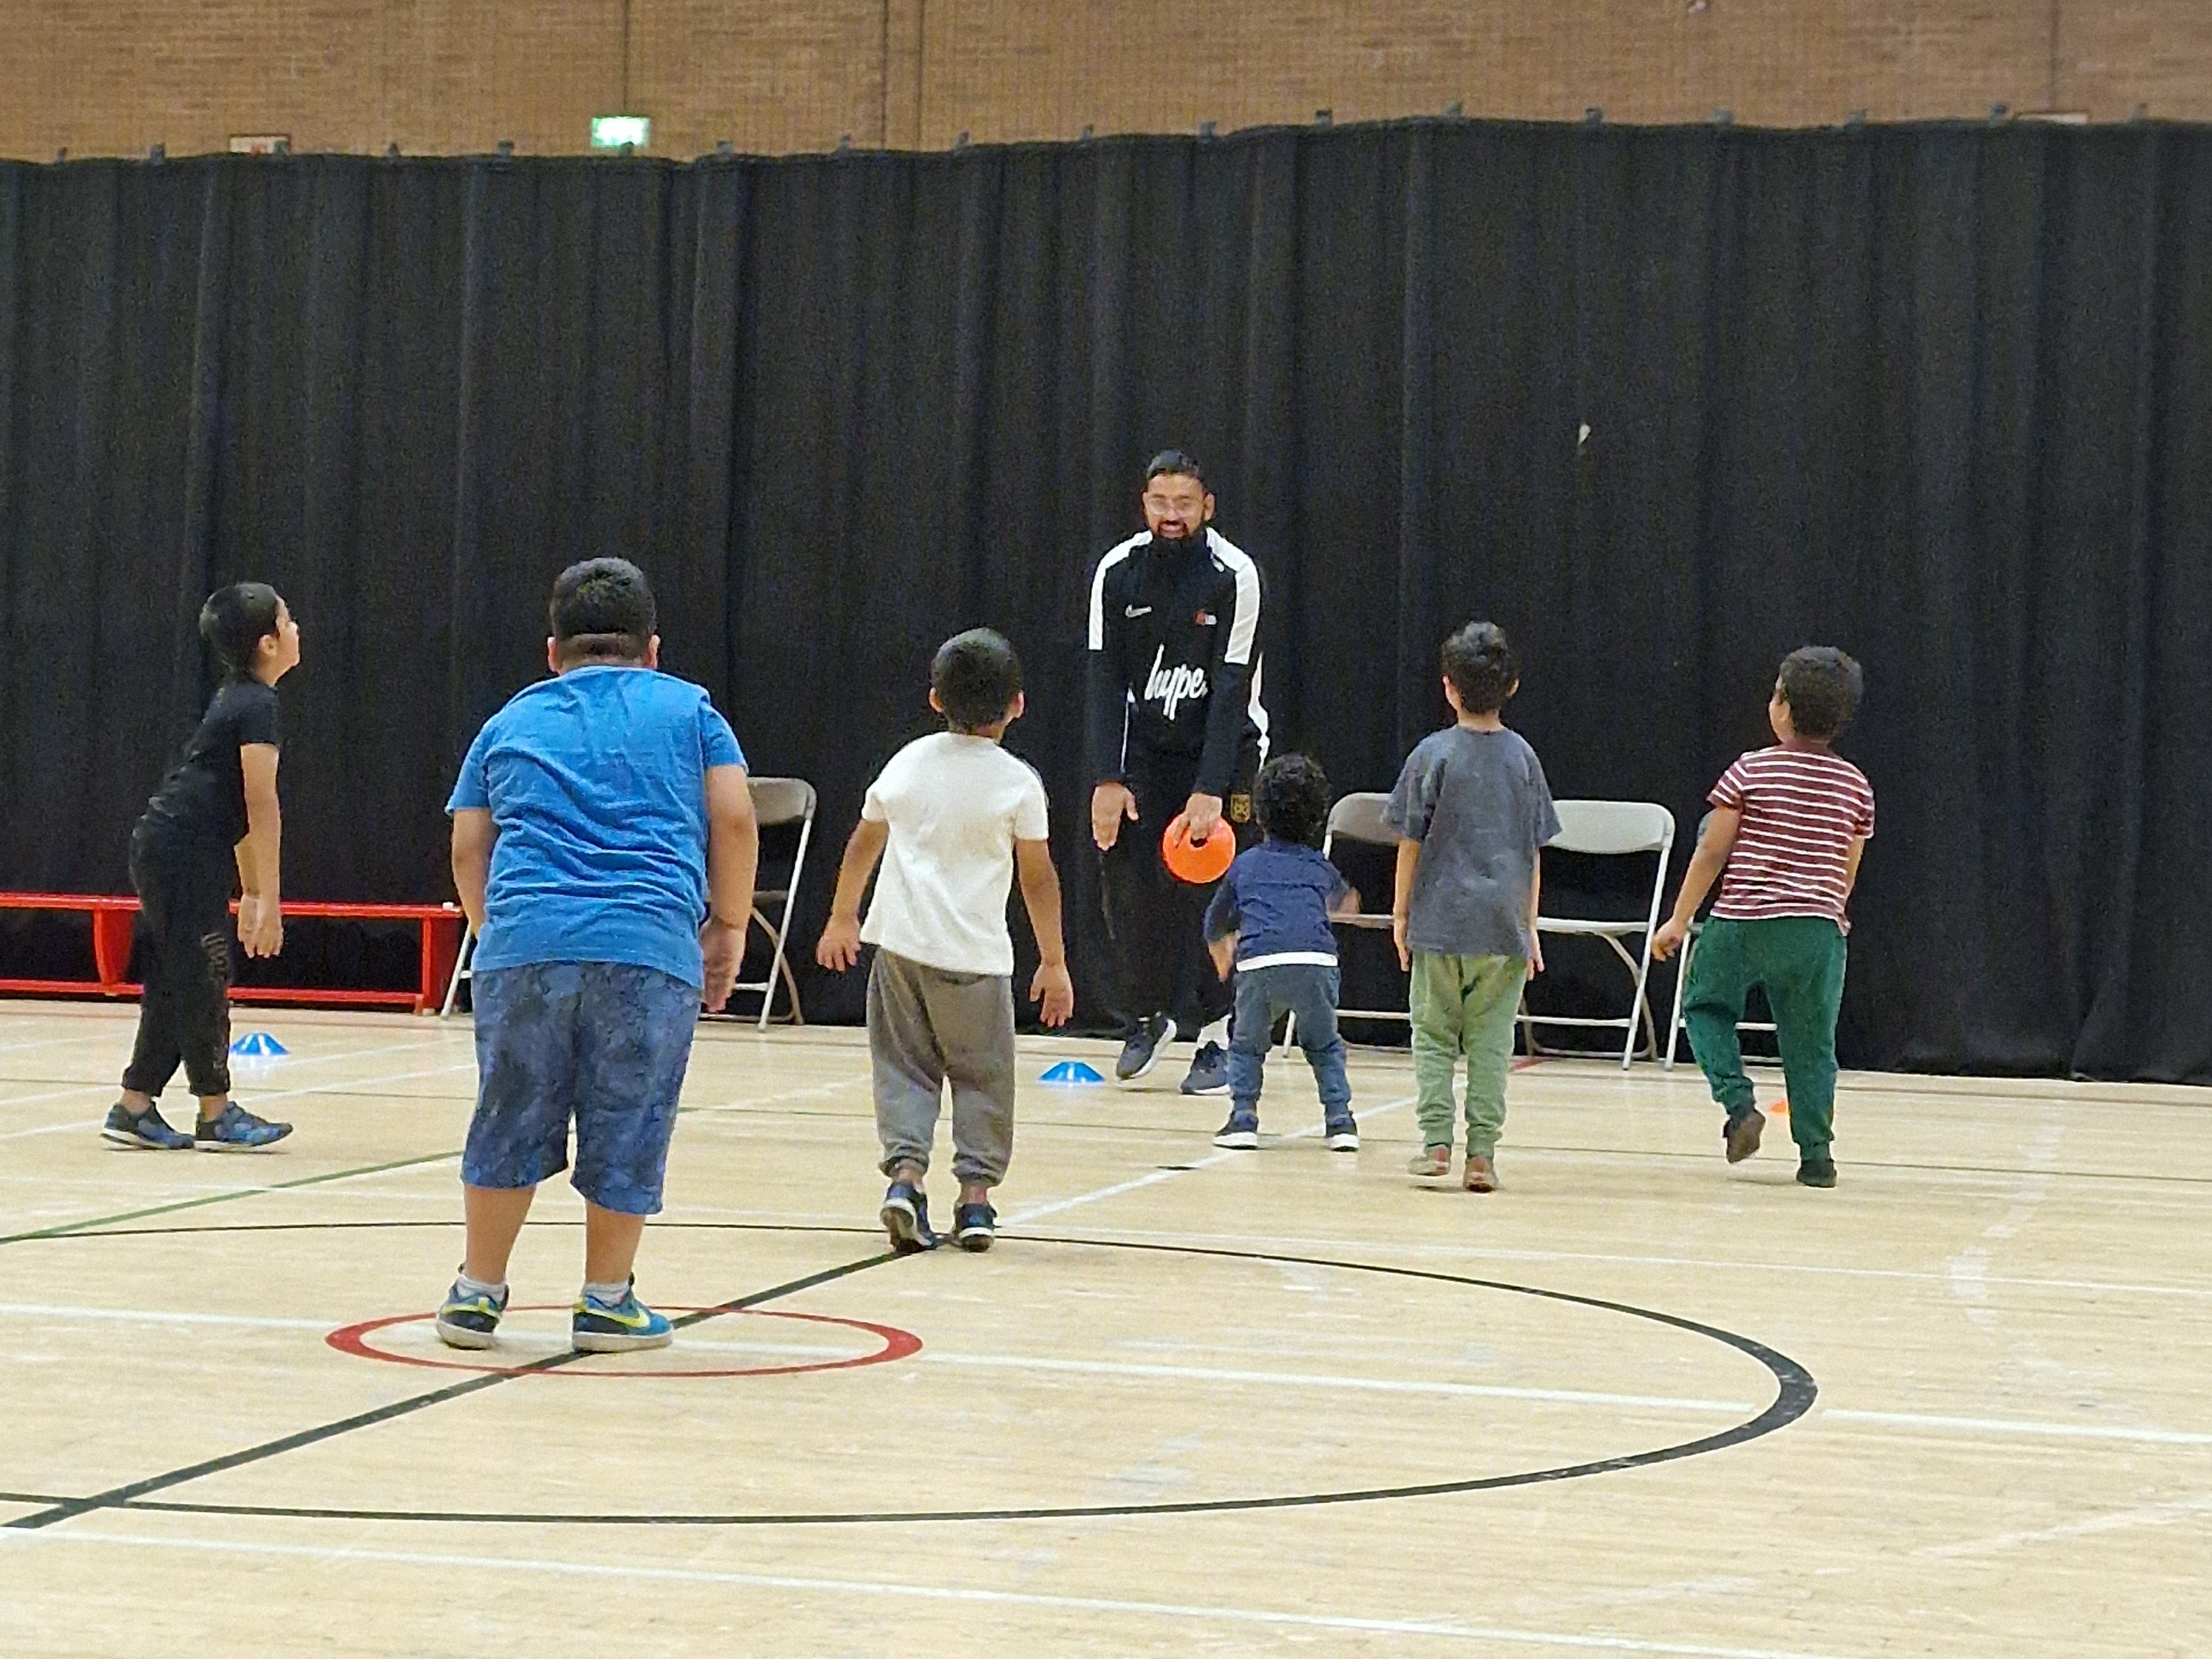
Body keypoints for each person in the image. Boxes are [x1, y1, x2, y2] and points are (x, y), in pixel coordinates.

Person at [434, 558, 758, 1353]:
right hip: (647, 948)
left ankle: (476, 1294)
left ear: (553, 652)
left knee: (507, 1115)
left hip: (523, 946)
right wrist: (729, 925)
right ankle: (606, 1301)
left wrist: (496, 933)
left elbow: (468, 844)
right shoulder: (691, 711)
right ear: (652, 649)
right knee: (630, 1118)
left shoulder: (507, 721)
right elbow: (736, 820)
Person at [817, 628, 1074, 1255]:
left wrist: (841, 917)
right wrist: (1054, 961)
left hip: (900, 949)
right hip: (975, 960)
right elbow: (1038, 879)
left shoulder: (907, 762)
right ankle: (977, 1200)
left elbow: (863, 842)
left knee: (903, 1070)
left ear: (936, 700)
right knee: (983, 1077)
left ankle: (905, 1181)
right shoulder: (1017, 783)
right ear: (1018, 704)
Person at [1652, 648, 1873, 1189]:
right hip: (1818, 931)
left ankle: (1738, 1102)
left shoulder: (1750, 770)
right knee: (1811, 1042)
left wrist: (1679, 918)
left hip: (1745, 920)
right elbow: (1847, 869)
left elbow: (1712, 853)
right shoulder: (1856, 786)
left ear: (1785, 708)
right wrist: (1828, 919)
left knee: (1705, 1007)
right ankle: (1817, 1156)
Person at [1086, 449, 1268, 1096]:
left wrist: (1210, 791)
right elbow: (1105, 679)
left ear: (1206, 507)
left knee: (1214, 892)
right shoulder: (1116, 572)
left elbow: (1231, 688)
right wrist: (1107, 779)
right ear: (1145, 505)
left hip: (1223, 752)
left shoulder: (1234, 575)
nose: (1171, 516)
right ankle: (1147, 1014)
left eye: (1183, 504)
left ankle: (1219, 1034)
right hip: (1148, 752)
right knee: (1129, 882)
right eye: (1160, 503)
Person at [102, 584, 302, 1152]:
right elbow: (260, 803)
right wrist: (269, 901)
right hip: (180, 852)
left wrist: (254, 889)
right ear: (268, 643)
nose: (296, 629)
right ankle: (216, 1110)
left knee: (175, 973)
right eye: (288, 622)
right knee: (205, 973)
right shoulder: (256, 705)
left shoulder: (244, 697)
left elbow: (236, 809)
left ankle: (134, 1104)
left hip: (175, 850)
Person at [1387, 622, 1559, 1193]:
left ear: (1448, 688)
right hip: (1503, 926)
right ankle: (1482, 1154)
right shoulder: (1524, 759)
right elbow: (1533, 852)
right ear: (1511, 687)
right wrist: (1529, 925)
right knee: (1491, 1041)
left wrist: (1401, 916)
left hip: (1439, 921)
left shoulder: (1430, 755)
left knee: (1433, 1035)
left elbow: (1410, 842)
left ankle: (1436, 1143)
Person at [1201, 754, 1360, 1151]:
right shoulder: (1320, 866)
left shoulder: (1245, 864)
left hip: (1260, 963)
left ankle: (1243, 1119)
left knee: (1247, 1045)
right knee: (1324, 1045)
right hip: (1317, 962)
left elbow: (1214, 920)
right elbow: (1347, 905)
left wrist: (1220, 949)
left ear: (1260, 812)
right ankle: (1340, 1122)